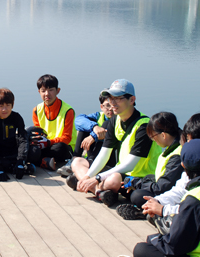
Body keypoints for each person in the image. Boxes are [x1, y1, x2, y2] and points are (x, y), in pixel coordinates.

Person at [67, 79, 162, 207]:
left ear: (132, 100)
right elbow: (104, 153)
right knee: (77, 161)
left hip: (138, 176)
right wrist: (88, 176)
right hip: (119, 171)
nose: (112, 103)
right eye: (111, 98)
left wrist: (96, 178)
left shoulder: (144, 126)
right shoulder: (115, 120)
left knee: (113, 179)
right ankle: (99, 192)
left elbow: (130, 165)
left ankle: (93, 187)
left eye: (118, 98)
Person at [115, 112, 184, 220]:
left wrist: (136, 183)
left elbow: (162, 187)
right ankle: (148, 212)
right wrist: (137, 181)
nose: (153, 141)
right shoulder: (174, 146)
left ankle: (150, 213)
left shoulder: (177, 156)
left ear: (163, 135)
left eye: (153, 137)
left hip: (171, 193)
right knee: (137, 182)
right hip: (165, 184)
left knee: (137, 195)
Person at [57, 94, 116, 177]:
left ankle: (90, 163)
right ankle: (74, 160)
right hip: (95, 152)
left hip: (109, 158)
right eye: (107, 105)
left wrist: (93, 136)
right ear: (101, 107)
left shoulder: (120, 119)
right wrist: (95, 127)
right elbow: (79, 120)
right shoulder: (98, 116)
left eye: (112, 105)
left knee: (106, 124)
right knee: (84, 127)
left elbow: (110, 131)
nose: (110, 108)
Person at [0, 88, 33, 181]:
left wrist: (20, 160)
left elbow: (23, 138)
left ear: (12, 105)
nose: (4, 109)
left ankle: (16, 166)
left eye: (8, 105)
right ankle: (1, 167)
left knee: (35, 151)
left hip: (12, 149)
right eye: (1, 106)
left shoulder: (16, 117)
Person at [30, 74, 76, 171]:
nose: (47, 94)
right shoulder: (36, 110)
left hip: (63, 146)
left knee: (60, 148)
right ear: (39, 92)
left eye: (51, 90)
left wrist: (49, 142)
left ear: (57, 91)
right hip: (45, 145)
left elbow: (67, 138)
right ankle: (44, 162)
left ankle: (39, 160)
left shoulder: (68, 110)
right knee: (29, 148)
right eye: (43, 91)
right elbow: (37, 132)